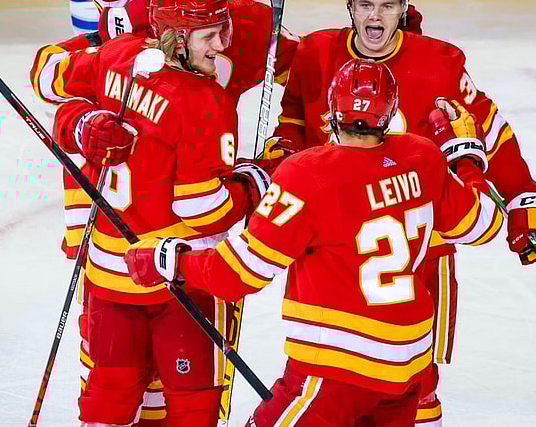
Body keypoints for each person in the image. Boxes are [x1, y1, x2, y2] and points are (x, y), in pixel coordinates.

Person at [124, 59, 503, 427]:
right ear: (391, 111)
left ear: (331, 113)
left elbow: (239, 273)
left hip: (336, 371)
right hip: (408, 370)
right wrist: (465, 156)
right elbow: (484, 225)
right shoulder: (422, 157)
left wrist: (170, 260)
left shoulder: (307, 174)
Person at [263, 0, 536, 424]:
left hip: (421, 237)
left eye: (387, 6)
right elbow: (294, 121)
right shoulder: (316, 53)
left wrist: (523, 197)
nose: (375, 17)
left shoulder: (437, 63)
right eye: (365, 5)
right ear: (350, 8)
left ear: (404, 8)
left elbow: (488, 129)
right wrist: (281, 155)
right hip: (334, 243)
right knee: (331, 369)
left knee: (417, 382)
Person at [32, 0, 272, 425]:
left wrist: (84, 122)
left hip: (106, 268)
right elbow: (204, 210)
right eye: (211, 35)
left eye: (223, 30)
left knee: (108, 394)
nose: (223, 45)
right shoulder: (205, 101)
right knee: (191, 402)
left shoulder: (117, 55)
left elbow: (47, 78)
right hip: (178, 277)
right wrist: (255, 181)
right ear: (178, 40)